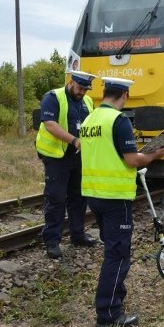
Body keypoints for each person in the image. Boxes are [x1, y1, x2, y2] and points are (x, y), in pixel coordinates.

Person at [79, 76, 164, 327]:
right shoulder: (118, 120)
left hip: (94, 195)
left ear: (105, 93)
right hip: (115, 198)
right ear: (124, 96)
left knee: (112, 251)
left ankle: (116, 297)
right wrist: (153, 154)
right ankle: (108, 315)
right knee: (117, 256)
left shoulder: (89, 119)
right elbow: (131, 160)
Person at [36, 70, 100, 259]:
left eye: (86, 90)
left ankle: (77, 235)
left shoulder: (87, 102)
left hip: (79, 156)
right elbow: (50, 124)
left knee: (79, 197)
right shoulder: (53, 97)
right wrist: (74, 140)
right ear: (71, 82)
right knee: (56, 197)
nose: (82, 93)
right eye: (80, 88)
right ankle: (52, 241)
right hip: (57, 156)